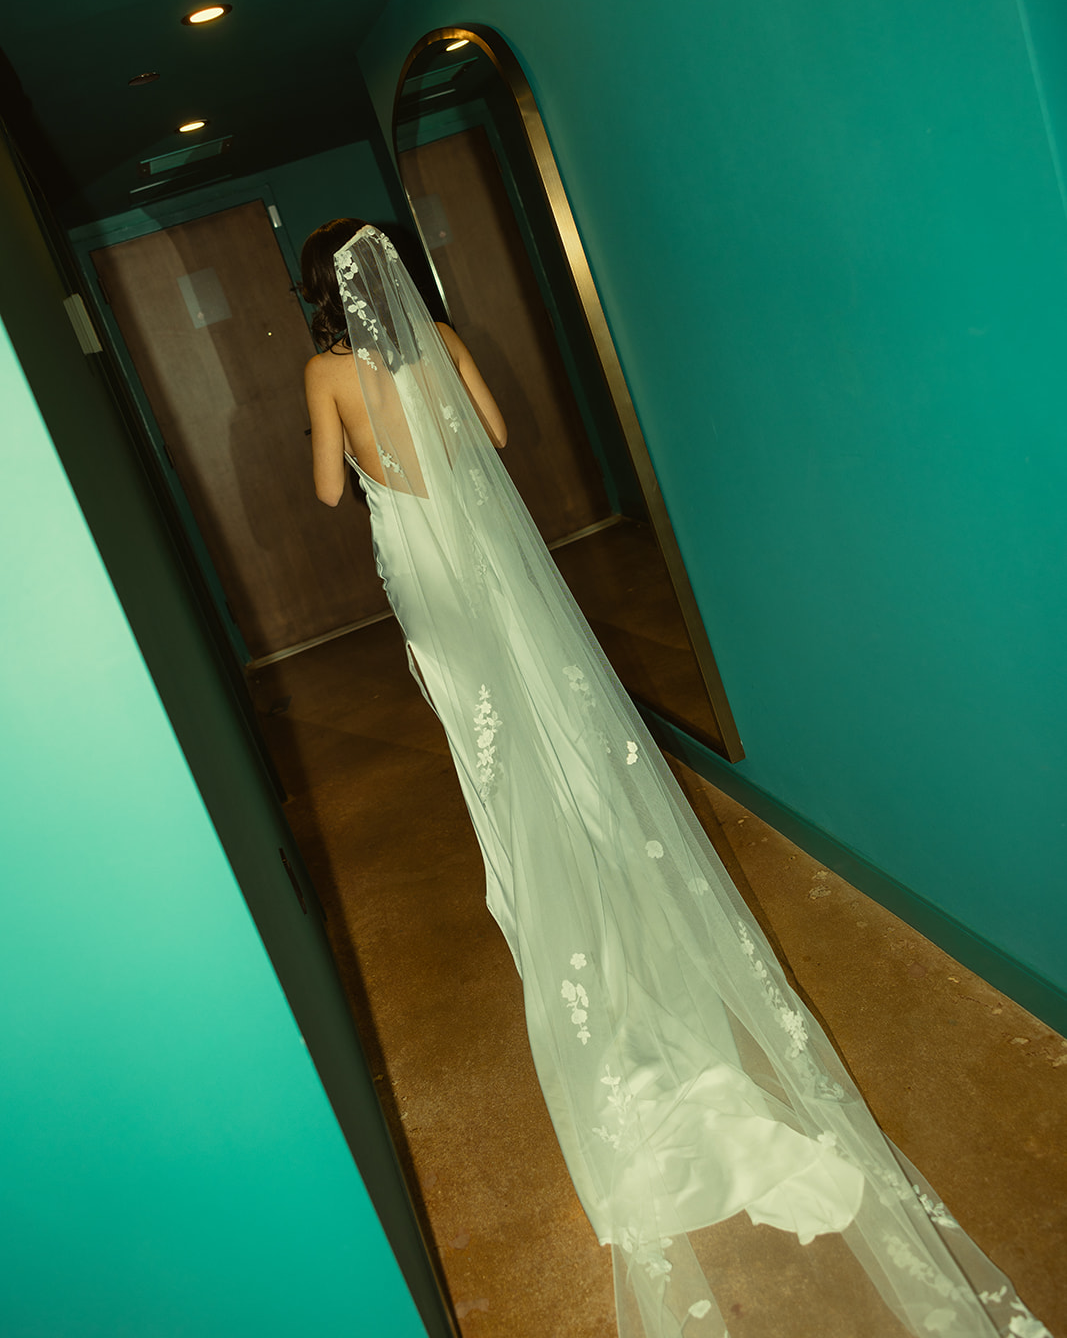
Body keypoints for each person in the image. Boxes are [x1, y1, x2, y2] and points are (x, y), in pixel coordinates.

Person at [301, 218, 1053, 1338]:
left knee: (483, 735)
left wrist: (365, 459)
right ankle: (592, 854)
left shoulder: (322, 371)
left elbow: (326, 493)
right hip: (484, 554)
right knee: (551, 706)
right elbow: (493, 439)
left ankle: (531, 877)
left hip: (422, 571)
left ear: (319, 295)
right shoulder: (443, 341)